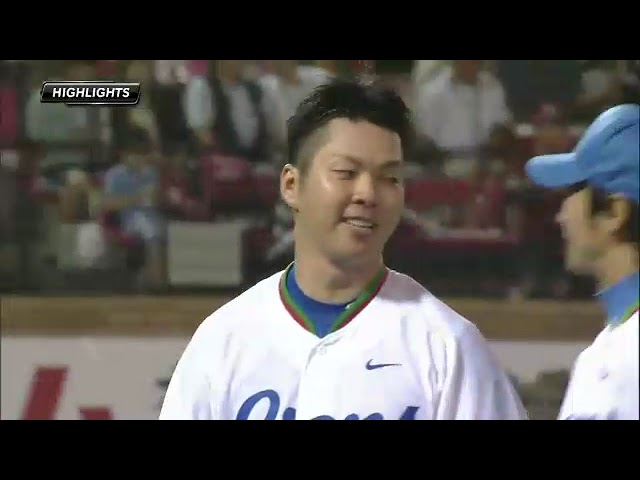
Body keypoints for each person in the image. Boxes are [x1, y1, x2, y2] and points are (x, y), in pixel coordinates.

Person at [159, 78, 527, 420]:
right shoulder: (223, 339)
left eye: (389, 178)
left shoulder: (446, 345)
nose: (368, 194)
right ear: (291, 185)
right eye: (346, 173)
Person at [525, 103, 639, 420]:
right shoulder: (616, 340)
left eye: (574, 191)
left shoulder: (631, 349)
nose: (560, 217)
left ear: (614, 213)